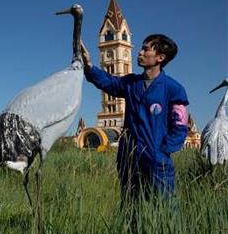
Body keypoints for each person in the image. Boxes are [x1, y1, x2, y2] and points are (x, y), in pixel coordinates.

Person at [81, 34, 189, 202]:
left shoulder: (173, 89)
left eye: (146, 49)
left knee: (163, 207)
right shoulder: (131, 83)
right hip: (128, 159)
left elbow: (180, 127)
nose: (139, 52)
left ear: (160, 57)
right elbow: (109, 82)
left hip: (157, 162)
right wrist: (89, 66)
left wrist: (160, 152)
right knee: (130, 208)